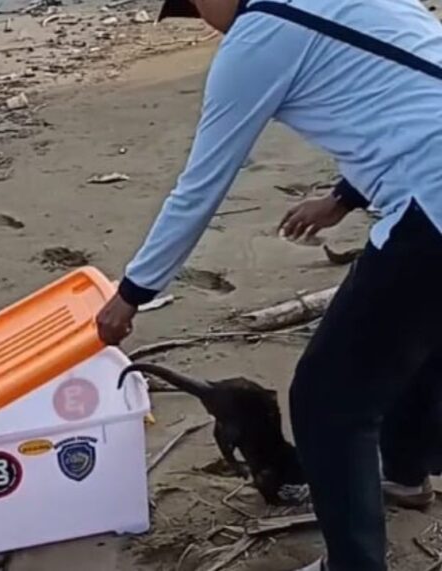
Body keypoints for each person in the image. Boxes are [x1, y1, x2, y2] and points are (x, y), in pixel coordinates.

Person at [95, 0, 442, 569]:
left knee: (328, 401)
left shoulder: (258, 40)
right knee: (420, 335)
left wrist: (133, 292)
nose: (200, 19)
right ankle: (405, 471)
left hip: (433, 202)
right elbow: (407, 88)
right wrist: (343, 197)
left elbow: (201, 186)